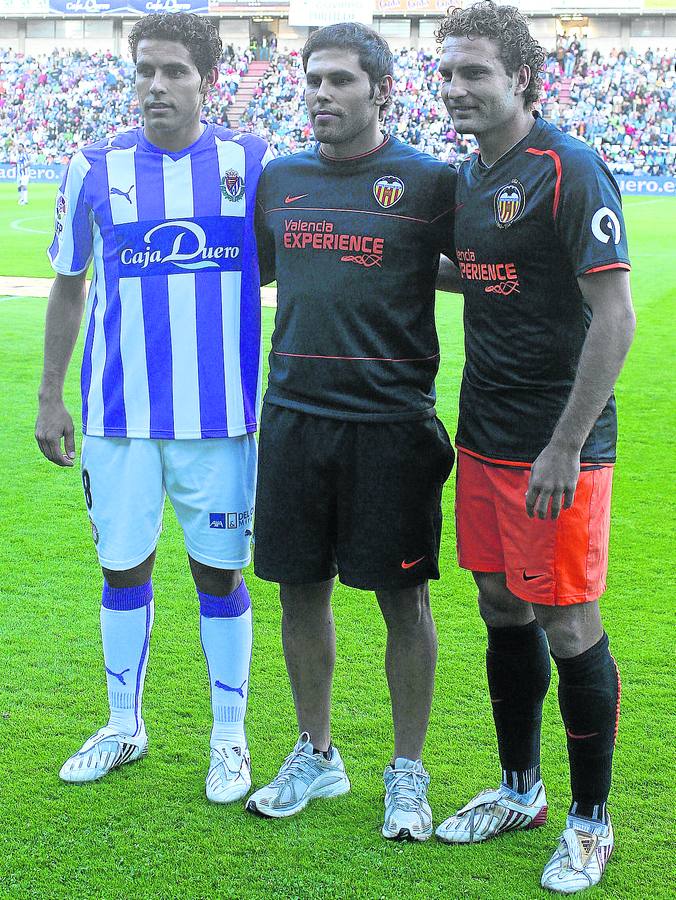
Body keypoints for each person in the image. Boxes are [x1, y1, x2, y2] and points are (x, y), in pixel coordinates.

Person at [35, 13, 272, 803]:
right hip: (118, 418)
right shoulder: (93, 166)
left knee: (219, 575)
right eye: (143, 71)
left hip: (220, 421)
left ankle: (229, 739)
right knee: (120, 568)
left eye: (173, 70)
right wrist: (49, 396)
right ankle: (123, 723)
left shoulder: (253, 163)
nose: (155, 86)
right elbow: (69, 283)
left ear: (207, 78)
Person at [434, 2, 635, 893]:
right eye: (446, 74)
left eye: (474, 72)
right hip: (483, 435)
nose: (456, 89)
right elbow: (477, 271)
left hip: (559, 448)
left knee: (565, 619)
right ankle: (520, 789)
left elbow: (614, 318)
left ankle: (592, 822)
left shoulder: (569, 167)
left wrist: (566, 445)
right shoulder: (472, 174)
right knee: (498, 608)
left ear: (520, 76)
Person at [247, 23, 456, 841]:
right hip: (295, 417)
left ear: (382, 91)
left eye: (339, 81)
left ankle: (407, 771)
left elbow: (472, 269)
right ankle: (317, 752)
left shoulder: (430, 183)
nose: (321, 95)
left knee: (404, 601)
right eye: (311, 81)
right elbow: (252, 270)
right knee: (301, 590)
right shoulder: (279, 180)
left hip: (390, 426)